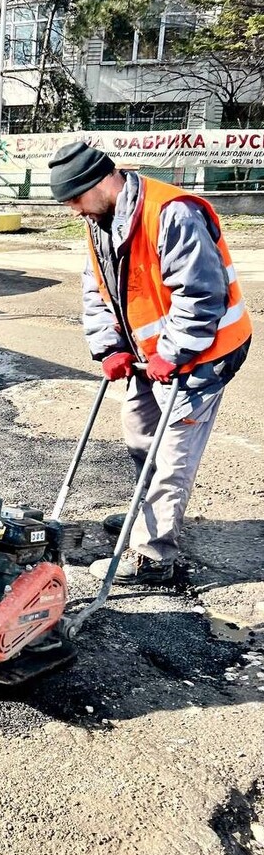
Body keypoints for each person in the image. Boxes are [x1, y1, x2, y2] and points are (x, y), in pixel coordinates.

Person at [48, 141, 252, 585]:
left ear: (100, 183)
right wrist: (110, 347)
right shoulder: (99, 219)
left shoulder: (172, 213)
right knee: (140, 432)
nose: (72, 211)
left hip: (203, 354)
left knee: (173, 451)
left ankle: (153, 554)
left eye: (74, 200)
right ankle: (148, 510)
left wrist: (173, 352)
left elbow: (201, 295)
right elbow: (96, 289)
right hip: (149, 355)